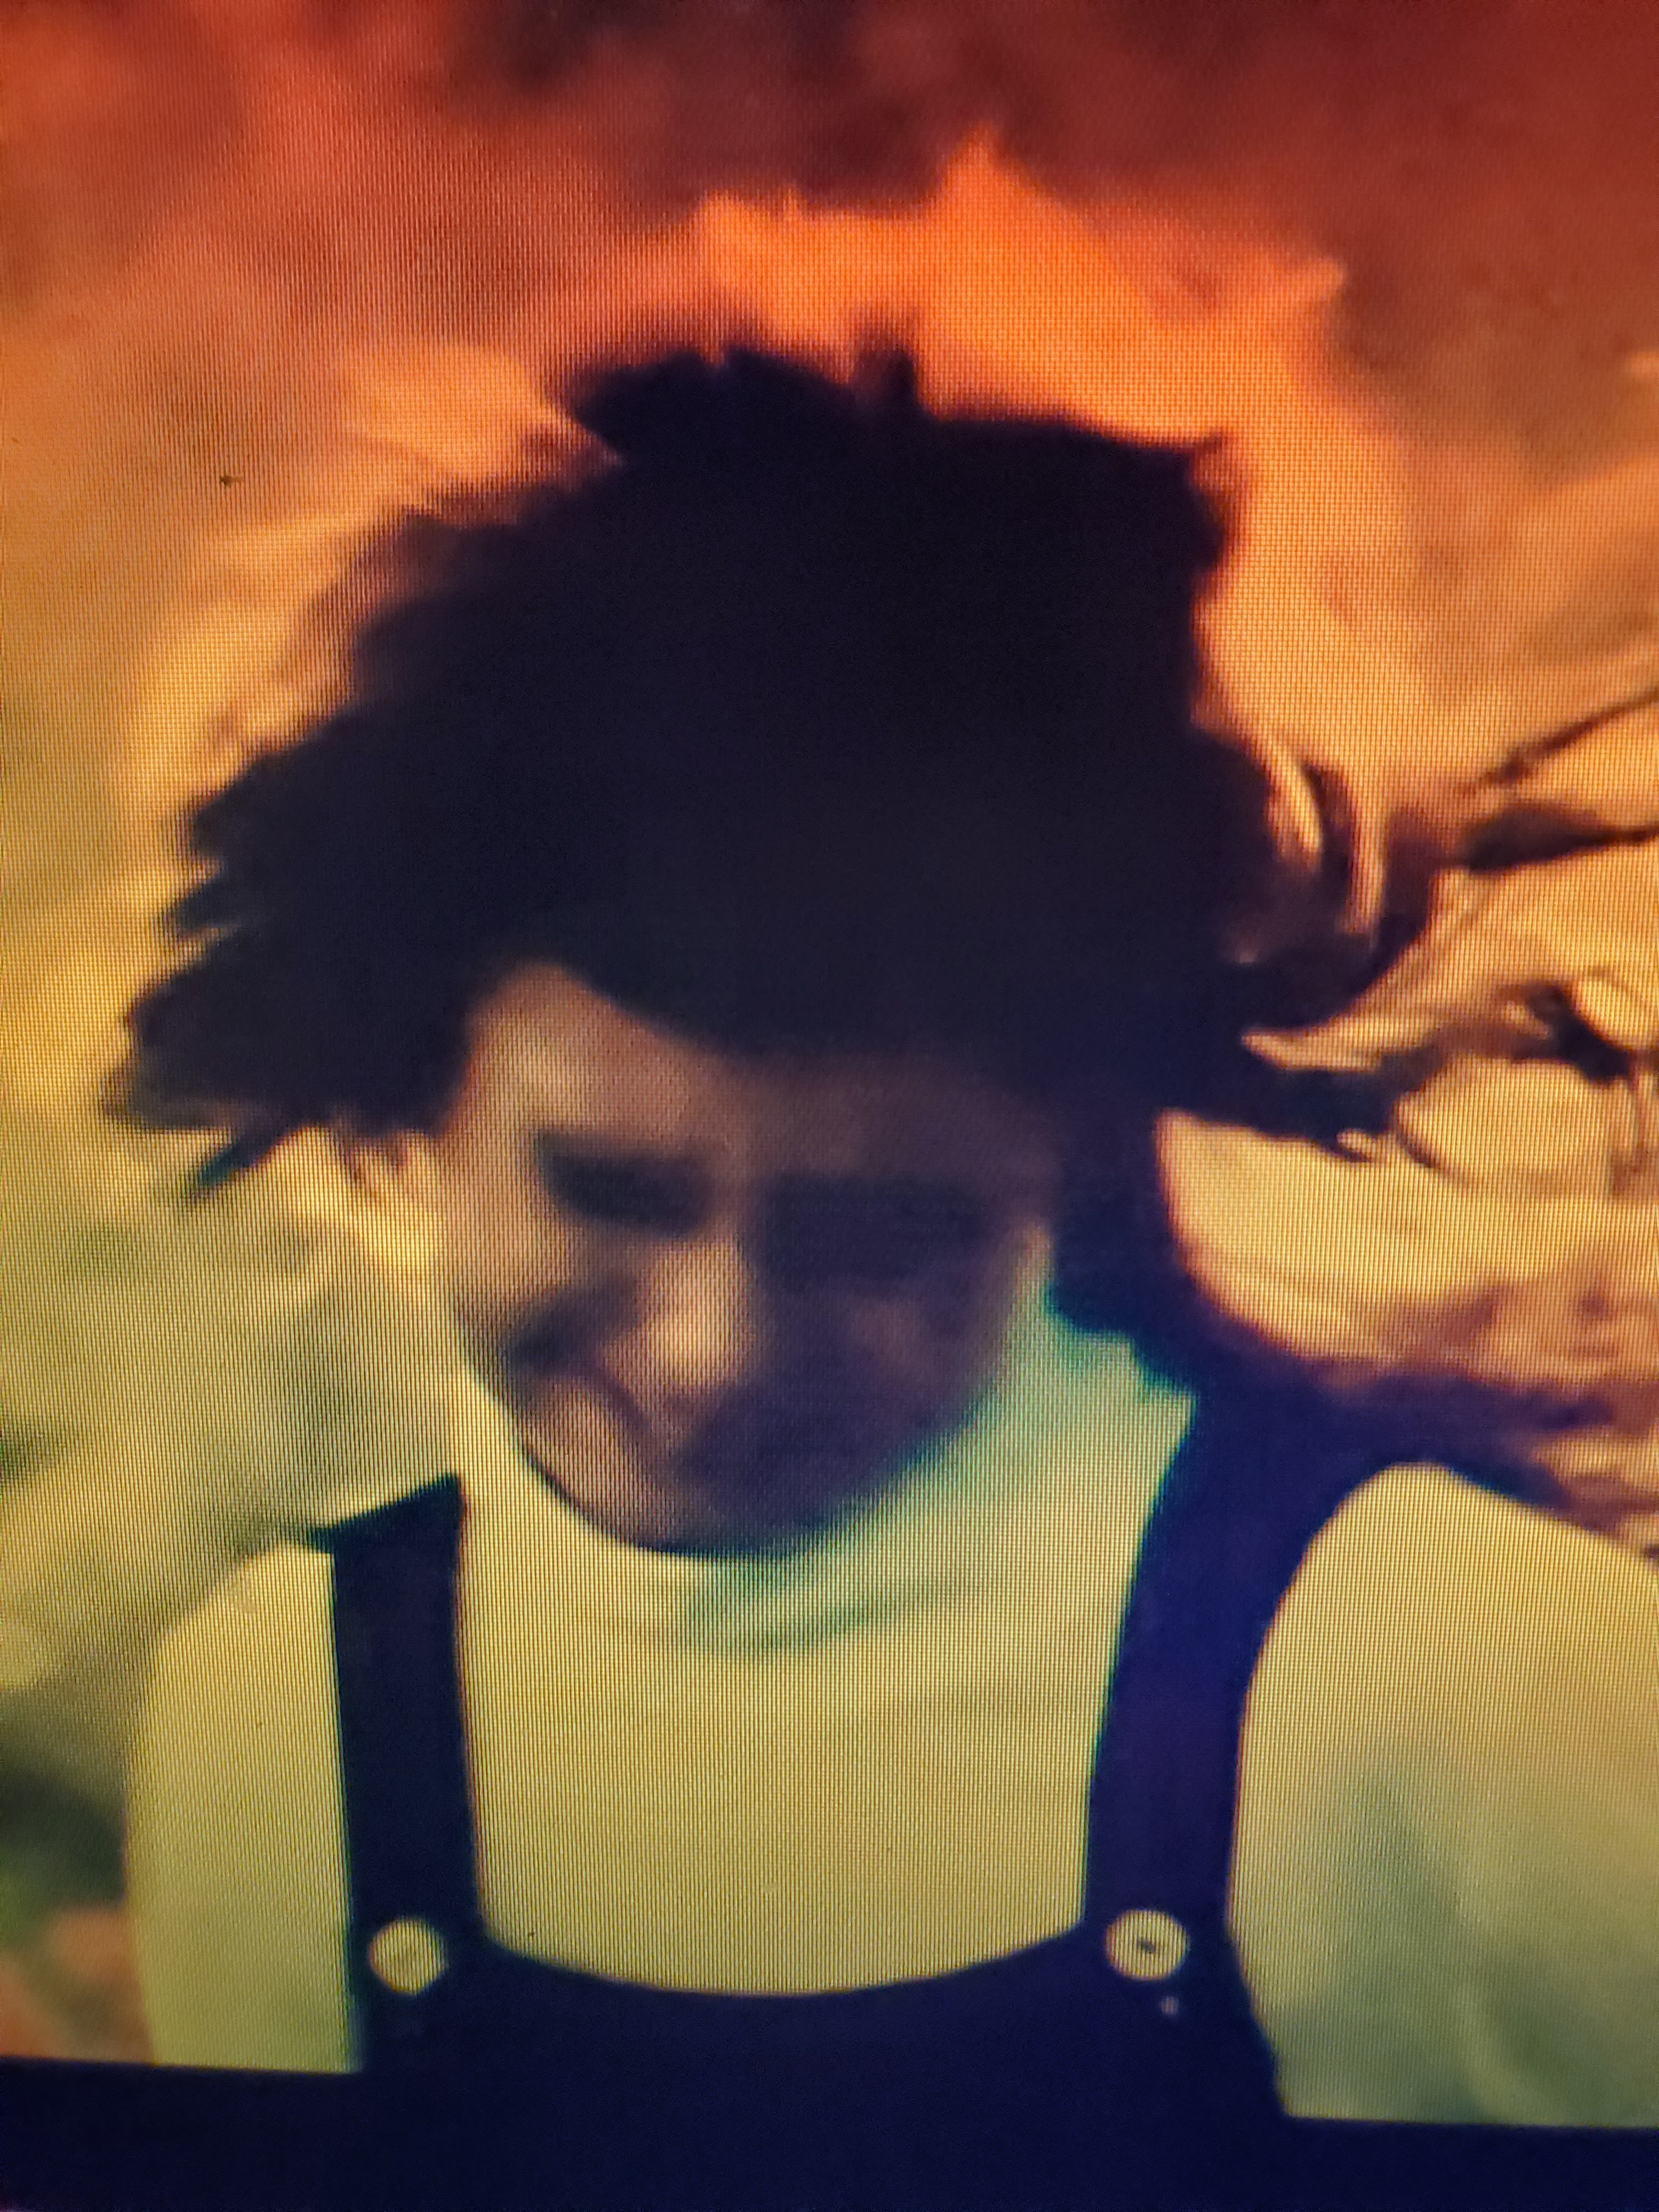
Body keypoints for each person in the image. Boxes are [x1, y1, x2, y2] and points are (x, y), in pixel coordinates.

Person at [116, 349, 1659, 2205]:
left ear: (1065, 1165)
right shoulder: (275, 1723)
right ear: (412, 1108)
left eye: (880, 1231)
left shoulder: (1471, 1697)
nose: (716, 1351)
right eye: (608, 1188)